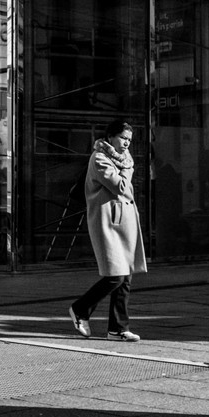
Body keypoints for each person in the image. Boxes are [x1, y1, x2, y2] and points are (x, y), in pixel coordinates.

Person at [67, 118, 147, 342]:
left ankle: (118, 329)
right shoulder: (100, 158)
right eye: (123, 138)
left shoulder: (120, 159)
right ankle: (80, 309)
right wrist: (129, 166)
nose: (126, 143)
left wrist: (126, 164)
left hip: (123, 224)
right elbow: (120, 187)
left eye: (129, 140)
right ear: (111, 136)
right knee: (115, 276)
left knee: (126, 278)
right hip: (108, 225)